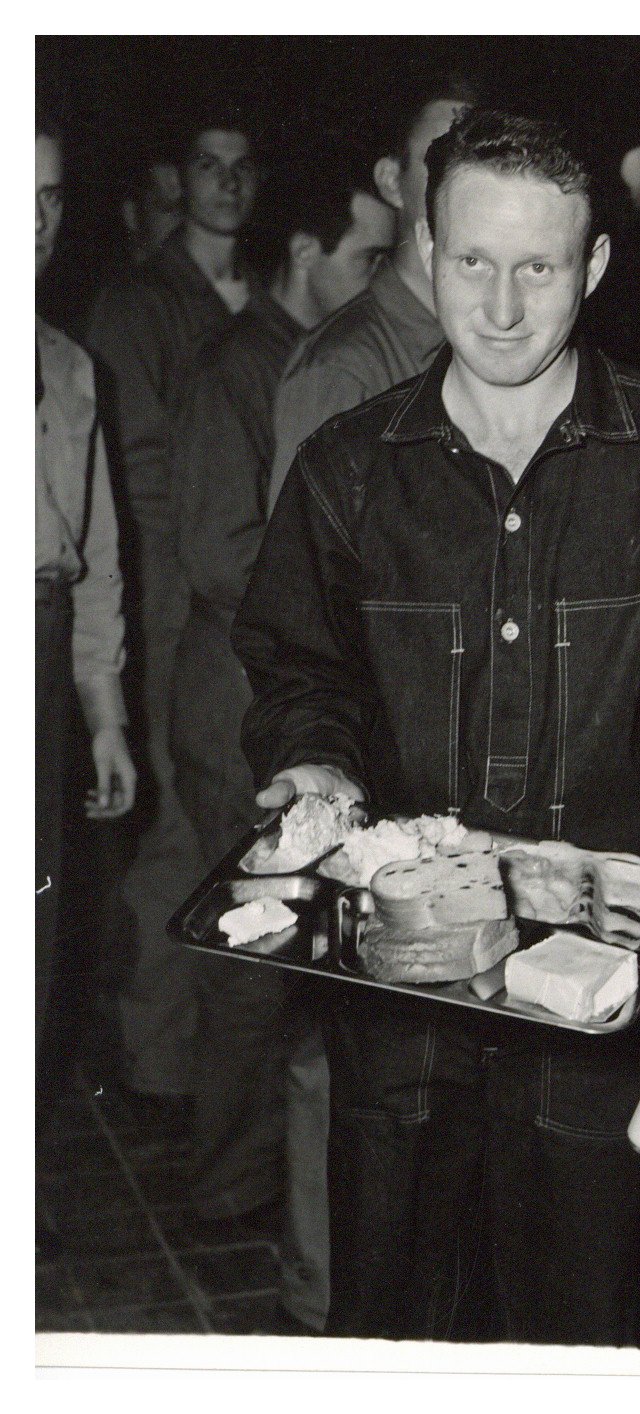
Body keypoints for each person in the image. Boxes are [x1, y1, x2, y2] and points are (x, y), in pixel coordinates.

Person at [232, 107, 640, 1345]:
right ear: (425, 248)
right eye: (472, 260)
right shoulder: (348, 466)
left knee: (574, 1326)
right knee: (393, 1320)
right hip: (404, 983)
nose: (504, 305)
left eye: (540, 266)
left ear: (592, 267)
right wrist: (311, 752)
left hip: (597, 994)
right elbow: (296, 662)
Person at [169, 153, 388, 1331]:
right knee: (252, 971)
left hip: (268, 695)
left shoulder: (287, 362)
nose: (374, 283)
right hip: (231, 695)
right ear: (304, 256)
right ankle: (222, 1191)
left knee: (271, 970)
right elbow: (219, 555)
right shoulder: (243, 370)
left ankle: (246, 1183)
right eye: (364, 257)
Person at [85, 102, 260, 1129]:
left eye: (241, 165)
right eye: (207, 162)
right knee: (173, 828)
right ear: (179, 179)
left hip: (231, 606)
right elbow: (138, 475)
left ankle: (207, 1064)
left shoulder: (264, 299)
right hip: (167, 593)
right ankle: (154, 1064)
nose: (227, 183)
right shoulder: (143, 302)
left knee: (224, 826)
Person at [36, 109, 137, 1244]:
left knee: (37, 931)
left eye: (52, 197)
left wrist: (104, 710)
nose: (34, 225)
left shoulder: (67, 366)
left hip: (44, 674)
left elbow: (95, 555)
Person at [267, 76, 477, 509]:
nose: (467, 182)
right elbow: (303, 564)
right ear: (389, 181)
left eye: (479, 159)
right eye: (441, 158)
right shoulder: (343, 367)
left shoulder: (491, 338)